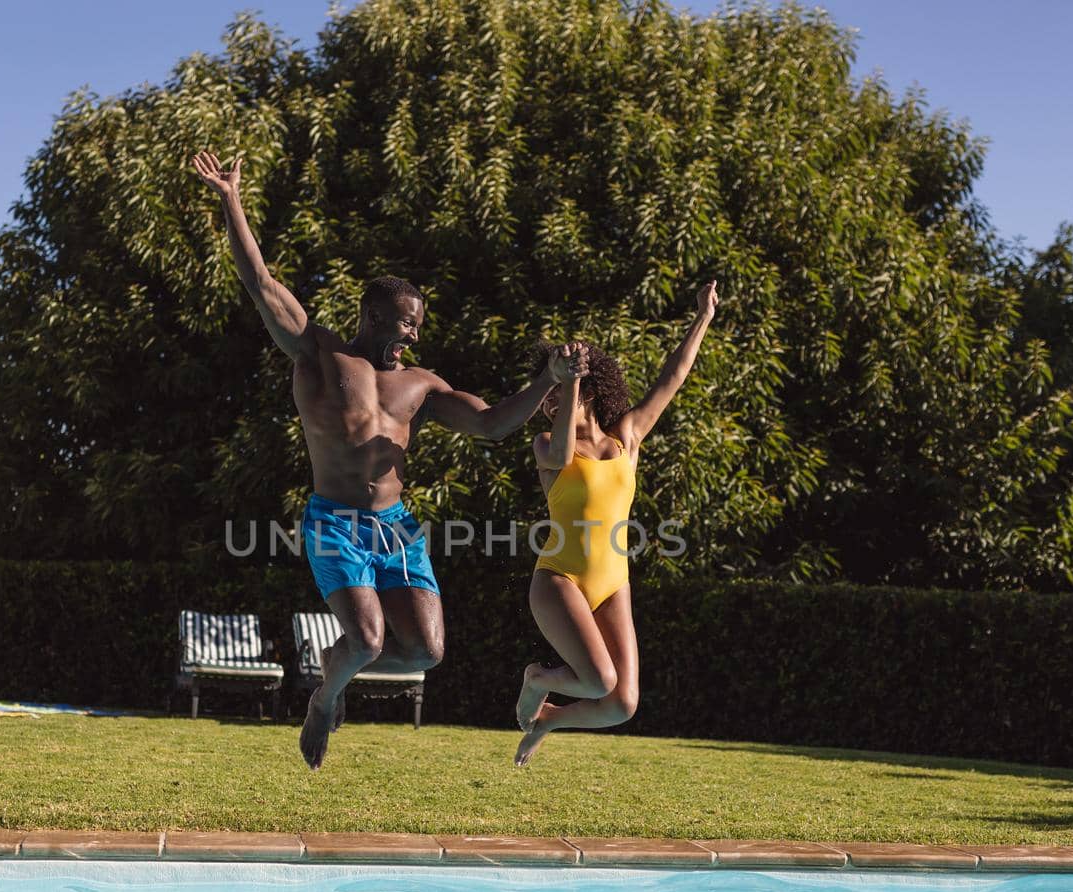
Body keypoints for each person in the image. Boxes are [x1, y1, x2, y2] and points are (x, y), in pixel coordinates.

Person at [191, 150, 584, 769]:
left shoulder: (422, 385)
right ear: (374, 316)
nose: (414, 335)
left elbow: (488, 425)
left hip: (397, 529)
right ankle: (325, 696)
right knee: (369, 640)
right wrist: (231, 197)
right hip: (334, 522)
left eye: (418, 326)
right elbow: (261, 284)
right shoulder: (319, 353)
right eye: (407, 323)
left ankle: (333, 665)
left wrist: (545, 381)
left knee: (427, 651)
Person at [513, 281, 718, 766]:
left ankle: (548, 718)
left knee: (622, 703)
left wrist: (703, 318)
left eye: (567, 386)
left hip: (613, 582)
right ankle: (536, 678)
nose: (553, 398)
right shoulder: (546, 444)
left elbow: (674, 376)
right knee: (599, 680)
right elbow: (564, 453)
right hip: (559, 578)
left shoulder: (627, 436)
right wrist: (565, 381)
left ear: (593, 389)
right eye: (549, 391)